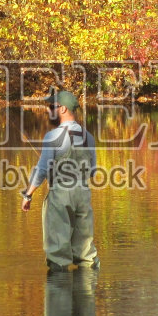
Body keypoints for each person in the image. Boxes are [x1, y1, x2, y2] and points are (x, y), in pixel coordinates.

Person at [20, 89, 98, 271]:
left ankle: (60, 292)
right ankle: (86, 293)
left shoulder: (53, 136)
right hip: (83, 194)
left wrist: (28, 194)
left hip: (60, 195)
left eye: (52, 107)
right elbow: (92, 171)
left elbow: (41, 170)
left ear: (62, 109)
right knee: (86, 253)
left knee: (58, 255)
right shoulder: (90, 138)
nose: (49, 111)